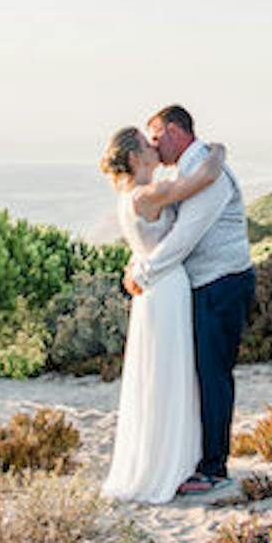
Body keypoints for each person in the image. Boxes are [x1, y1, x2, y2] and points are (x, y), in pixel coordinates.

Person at [124, 105, 255, 498]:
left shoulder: (207, 176)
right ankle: (197, 458)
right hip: (200, 286)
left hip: (222, 284)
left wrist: (142, 273)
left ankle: (214, 469)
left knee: (213, 375)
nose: (152, 143)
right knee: (197, 375)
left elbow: (185, 237)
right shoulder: (191, 171)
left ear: (176, 130)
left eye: (156, 134)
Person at [97, 125, 226, 503]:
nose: (154, 146)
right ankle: (171, 463)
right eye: (145, 143)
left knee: (159, 376)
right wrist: (217, 150)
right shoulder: (148, 194)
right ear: (135, 158)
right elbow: (204, 176)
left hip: (153, 290)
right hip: (165, 289)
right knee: (170, 374)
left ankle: (165, 458)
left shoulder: (128, 198)